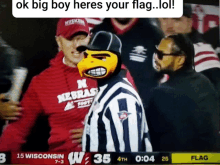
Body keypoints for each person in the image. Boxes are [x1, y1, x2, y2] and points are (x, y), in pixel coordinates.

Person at [0, 18, 99, 152]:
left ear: (89, 39)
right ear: (59, 41)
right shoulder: (42, 82)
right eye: (70, 39)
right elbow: (16, 131)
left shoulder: (110, 69)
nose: (77, 45)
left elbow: (131, 115)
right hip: (61, 157)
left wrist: (103, 133)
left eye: (81, 38)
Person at [77, 31, 152, 152]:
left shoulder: (122, 98)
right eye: (88, 56)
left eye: (100, 58)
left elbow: (130, 157)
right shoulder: (106, 89)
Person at [146, 34, 219, 151]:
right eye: (156, 52)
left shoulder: (162, 93)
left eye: (161, 55)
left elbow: (151, 140)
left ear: (180, 59)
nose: (155, 58)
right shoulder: (204, 82)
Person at [92, 18, 164, 109]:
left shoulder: (154, 36)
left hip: (145, 115)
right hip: (104, 114)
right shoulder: (96, 34)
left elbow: (163, 78)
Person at [158, 4, 220, 95]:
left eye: (176, 19)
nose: (169, 25)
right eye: (164, 18)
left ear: (189, 23)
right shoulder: (158, 46)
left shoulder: (202, 54)